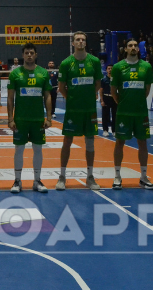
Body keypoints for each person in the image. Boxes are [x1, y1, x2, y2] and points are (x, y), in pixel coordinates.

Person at [56, 32, 102, 191]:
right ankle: (62, 176)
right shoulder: (66, 63)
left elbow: (97, 84)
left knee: (90, 141)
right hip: (73, 110)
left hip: (89, 109)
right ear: (73, 43)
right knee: (67, 141)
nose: (80, 42)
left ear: (85, 43)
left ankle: (90, 177)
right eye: (77, 39)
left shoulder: (94, 61)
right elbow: (61, 87)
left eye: (83, 39)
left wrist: (88, 97)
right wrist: (72, 100)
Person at [7, 43, 53, 193]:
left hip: (38, 119)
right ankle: (17, 181)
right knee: (19, 150)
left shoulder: (43, 73)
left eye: (31, 53)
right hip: (20, 119)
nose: (29, 55)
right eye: (26, 53)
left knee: (38, 149)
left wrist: (49, 118)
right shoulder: (15, 74)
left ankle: (37, 181)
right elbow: (10, 98)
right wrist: (10, 119)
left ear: (36, 55)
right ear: (23, 55)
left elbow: (47, 96)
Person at [111, 39, 153, 189]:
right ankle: (117, 176)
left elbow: (147, 90)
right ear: (125, 49)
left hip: (141, 112)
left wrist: (137, 103)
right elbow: (113, 91)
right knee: (120, 142)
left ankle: (143, 177)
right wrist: (123, 103)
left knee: (142, 143)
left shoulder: (146, 67)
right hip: (124, 112)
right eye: (130, 46)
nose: (133, 47)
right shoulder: (118, 67)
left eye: (135, 45)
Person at [99, 65, 116, 136]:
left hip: (114, 98)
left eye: (111, 68)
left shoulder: (115, 79)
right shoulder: (103, 80)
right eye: (108, 68)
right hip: (106, 97)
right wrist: (102, 100)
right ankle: (105, 130)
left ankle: (114, 131)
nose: (110, 70)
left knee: (115, 115)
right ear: (106, 70)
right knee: (105, 115)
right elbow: (101, 90)